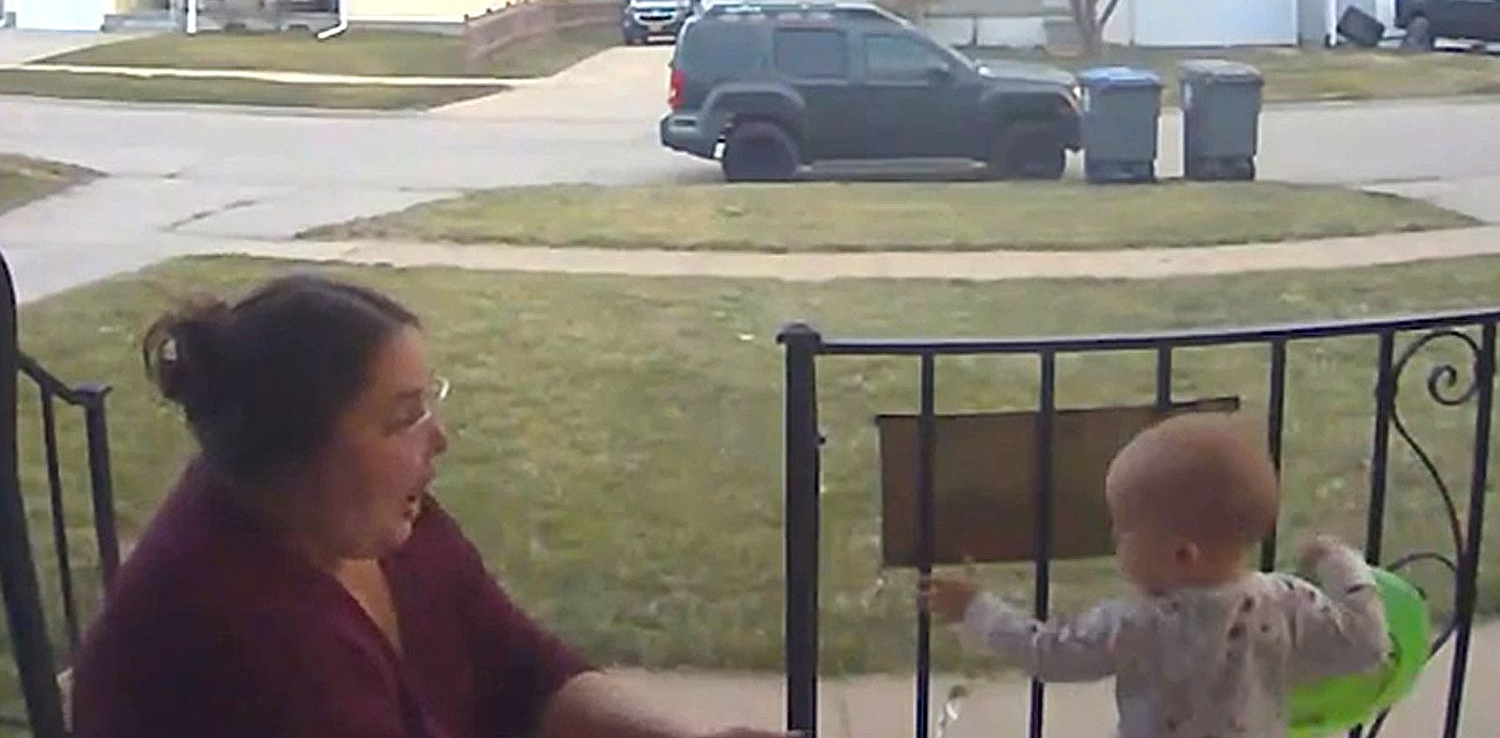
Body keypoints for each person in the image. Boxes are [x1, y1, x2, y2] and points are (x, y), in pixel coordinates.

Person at [71, 274, 793, 738]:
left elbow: (523, 671)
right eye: (402, 416)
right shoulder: (235, 637)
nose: (438, 439)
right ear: (296, 446)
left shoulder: (386, 528)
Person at [920, 412, 1389, 738]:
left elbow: (1049, 653)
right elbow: (1368, 642)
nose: (1114, 540)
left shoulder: (1139, 623)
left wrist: (976, 610)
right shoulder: (1288, 603)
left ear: (1184, 554)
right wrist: (1340, 562)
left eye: (1123, 531)